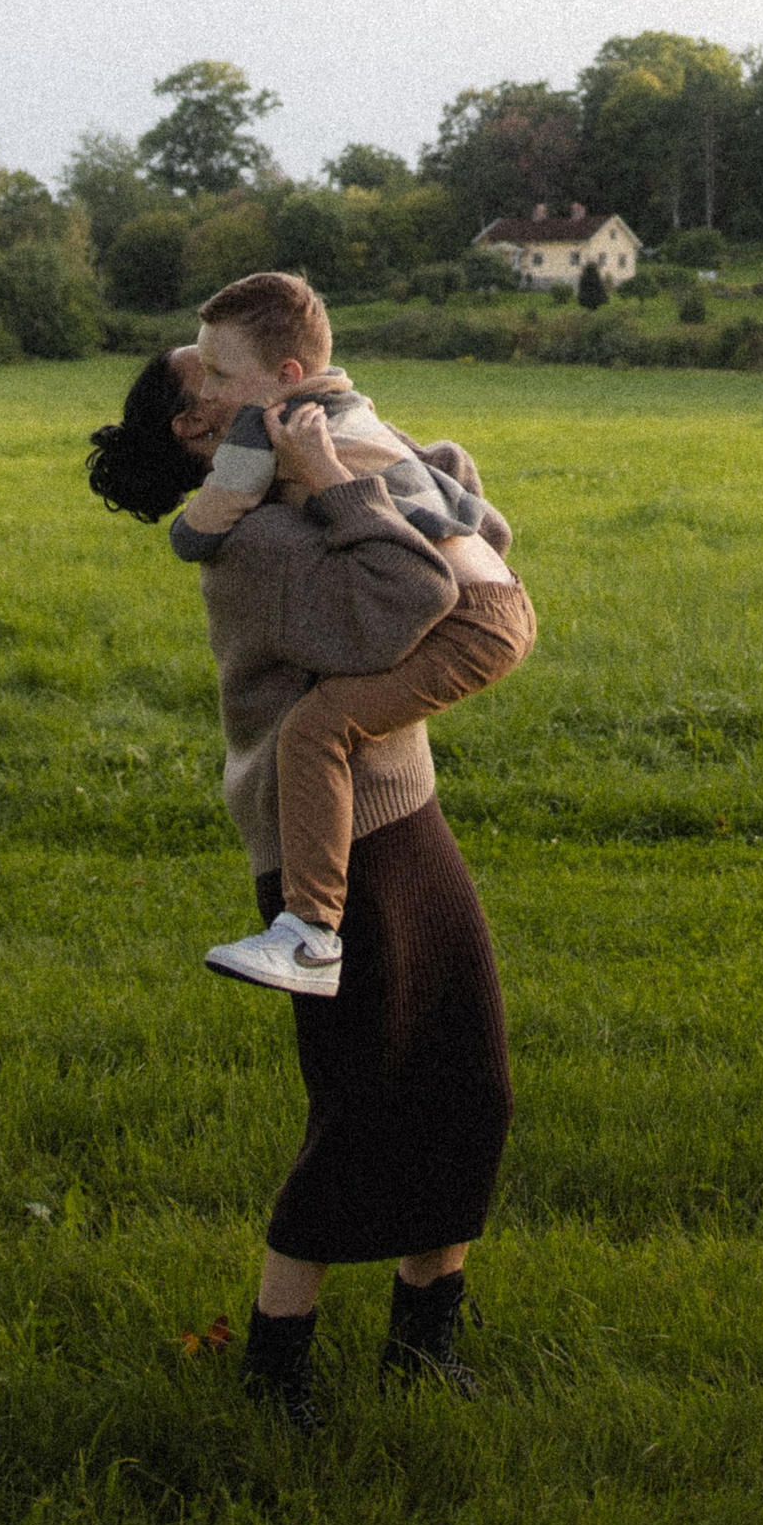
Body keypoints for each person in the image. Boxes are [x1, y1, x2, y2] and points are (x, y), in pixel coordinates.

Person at [85, 306, 519, 1430]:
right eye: (232, 382)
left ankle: (426, 1339)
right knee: (363, 1103)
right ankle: (276, 1368)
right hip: (328, 851)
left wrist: (377, 472)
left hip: (402, 817)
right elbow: (412, 599)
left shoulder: (298, 498)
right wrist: (344, 485)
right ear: (200, 423)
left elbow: (462, 532)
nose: (290, 394)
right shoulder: (262, 542)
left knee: (463, 1079)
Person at [170, 269, 535, 1000]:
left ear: (286, 375)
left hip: (471, 620)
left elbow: (198, 527)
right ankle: (312, 931)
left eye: (219, 373)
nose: (207, 391)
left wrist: (313, 486)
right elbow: (463, 492)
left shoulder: (269, 430)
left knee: (314, 730)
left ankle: (310, 935)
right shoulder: (355, 409)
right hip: (496, 595)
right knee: (324, 727)